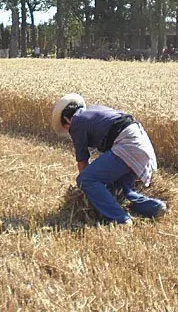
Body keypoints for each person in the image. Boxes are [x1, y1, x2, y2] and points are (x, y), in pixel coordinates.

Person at [51, 94, 167, 225]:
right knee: (117, 186)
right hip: (141, 141)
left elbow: (82, 162)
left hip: (127, 144)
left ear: (67, 120)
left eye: (66, 128)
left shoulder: (76, 121)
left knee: (86, 179)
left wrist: (84, 190)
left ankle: (121, 219)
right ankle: (154, 207)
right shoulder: (93, 111)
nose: (69, 132)